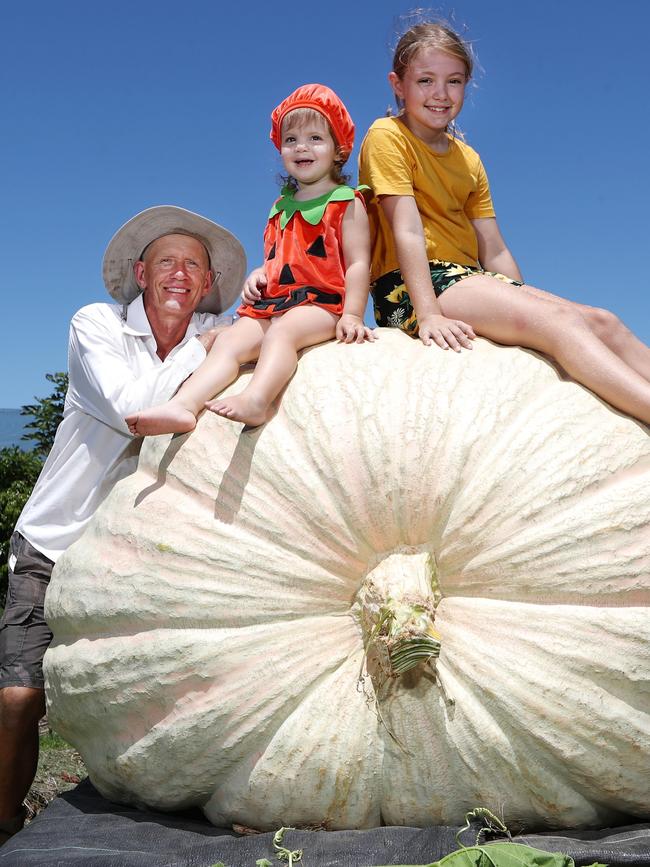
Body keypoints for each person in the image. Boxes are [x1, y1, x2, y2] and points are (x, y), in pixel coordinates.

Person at [0, 206, 246, 844]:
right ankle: (3, 819)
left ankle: (164, 789)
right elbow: (135, 408)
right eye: (167, 260)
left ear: (207, 281)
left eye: (194, 264)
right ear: (142, 273)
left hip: (134, 552)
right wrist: (206, 349)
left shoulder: (220, 331)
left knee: (157, 687)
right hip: (55, 540)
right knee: (20, 697)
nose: (179, 273)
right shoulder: (97, 325)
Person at [358, 21, 650, 424]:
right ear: (397, 84)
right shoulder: (387, 136)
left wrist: (523, 300)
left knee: (605, 321)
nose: (440, 94)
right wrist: (428, 314)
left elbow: (493, 249)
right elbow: (405, 229)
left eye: (454, 81)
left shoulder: (469, 159)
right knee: (560, 323)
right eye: (425, 80)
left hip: (468, 278)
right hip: (409, 286)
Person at [126, 84, 374, 435]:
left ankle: (258, 399)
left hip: (323, 305)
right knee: (229, 341)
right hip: (273, 303)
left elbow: (358, 264)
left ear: (339, 149)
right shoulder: (280, 207)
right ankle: (184, 405)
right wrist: (259, 274)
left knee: (284, 332)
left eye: (315, 138)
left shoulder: (346, 202)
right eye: (291, 139)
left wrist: (351, 313)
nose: (302, 147)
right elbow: (279, 259)